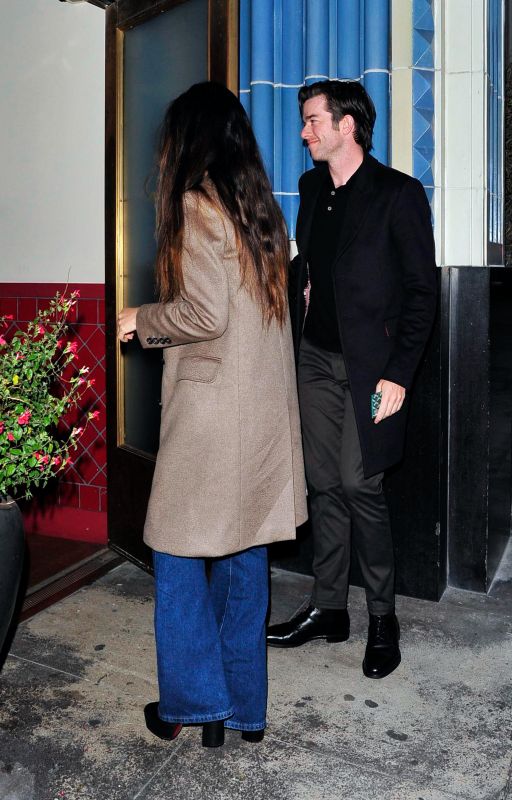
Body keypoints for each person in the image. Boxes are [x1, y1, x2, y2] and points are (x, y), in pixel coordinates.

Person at [117, 82, 307, 747]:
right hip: (260, 422)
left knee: (173, 558)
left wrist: (142, 319)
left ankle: (190, 705)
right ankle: (242, 713)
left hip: (211, 421)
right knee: (242, 560)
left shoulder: (198, 207)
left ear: (190, 138)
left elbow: (202, 315)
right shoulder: (261, 214)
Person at [267, 80, 436, 680]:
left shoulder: (399, 194)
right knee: (322, 484)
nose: (305, 131)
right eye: (305, 121)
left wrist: (399, 376)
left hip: (371, 368)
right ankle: (329, 608)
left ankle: (383, 617)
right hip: (314, 358)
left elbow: (422, 293)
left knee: (359, 484)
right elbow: (306, 265)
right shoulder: (313, 189)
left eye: (313, 121)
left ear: (347, 126)